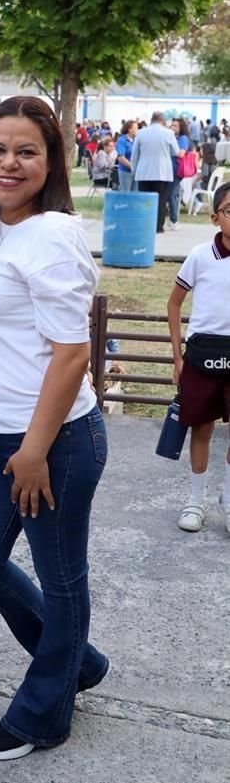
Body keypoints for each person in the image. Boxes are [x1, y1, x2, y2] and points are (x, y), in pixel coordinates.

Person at [0, 95, 109, 761]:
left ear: (53, 162)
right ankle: (79, 658)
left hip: (53, 440)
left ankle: (45, 711)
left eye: (26, 151)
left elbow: (72, 353)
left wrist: (37, 448)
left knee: (62, 574)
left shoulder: (49, 233)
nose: (8, 162)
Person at [167, 180, 230, 536]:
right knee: (201, 428)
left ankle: (229, 500)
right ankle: (195, 499)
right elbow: (174, 302)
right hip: (203, 354)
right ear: (214, 217)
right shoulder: (199, 256)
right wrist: (178, 357)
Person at [130, 111, 179, 233]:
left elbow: (134, 154)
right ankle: (158, 226)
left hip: (144, 172)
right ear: (162, 121)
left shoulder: (141, 133)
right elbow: (176, 152)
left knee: (144, 201)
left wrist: (134, 169)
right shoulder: (169, 133)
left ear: (151, 120)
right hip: (162, 172)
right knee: (161, 201)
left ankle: (145, 225)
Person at [115, 120, 138, 192]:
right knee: (125, 192)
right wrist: (132, 166)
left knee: (135, 193)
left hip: (135, 172)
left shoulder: (136, 140)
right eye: (136, 128)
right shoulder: (122, 140)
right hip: (126, 171)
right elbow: (121, 157)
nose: (137, 130)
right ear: (130, 129)